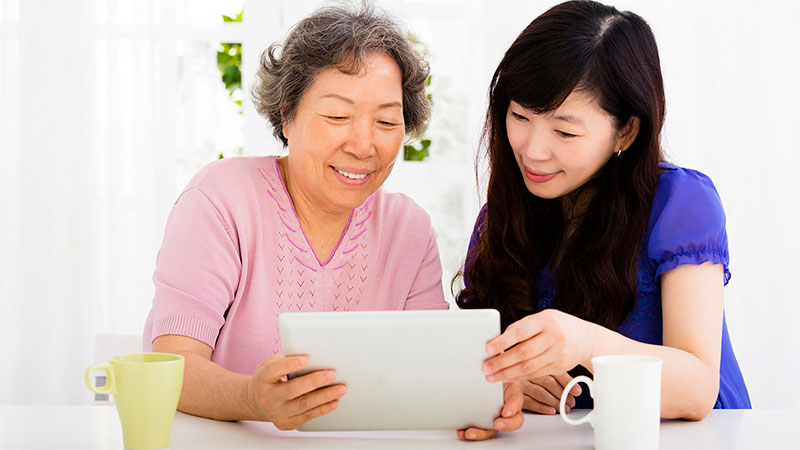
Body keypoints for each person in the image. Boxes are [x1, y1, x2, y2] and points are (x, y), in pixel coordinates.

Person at [143, 3, 522, 439]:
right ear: (287, 114)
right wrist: (252, 398)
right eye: (338, 117)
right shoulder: (220, 198)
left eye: (385, 121)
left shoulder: (408, 228)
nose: (364, 145)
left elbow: (429, 373)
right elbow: (170, 366)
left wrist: (487, 398)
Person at [457, 0, 751, 420]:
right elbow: (480, 356)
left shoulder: (680, 202)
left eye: (564, 131)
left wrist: (586, 344)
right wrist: (507, 378)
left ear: (626, 131)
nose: (533, 151)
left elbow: (698, 387)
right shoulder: (499, 218)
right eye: (519, 116)